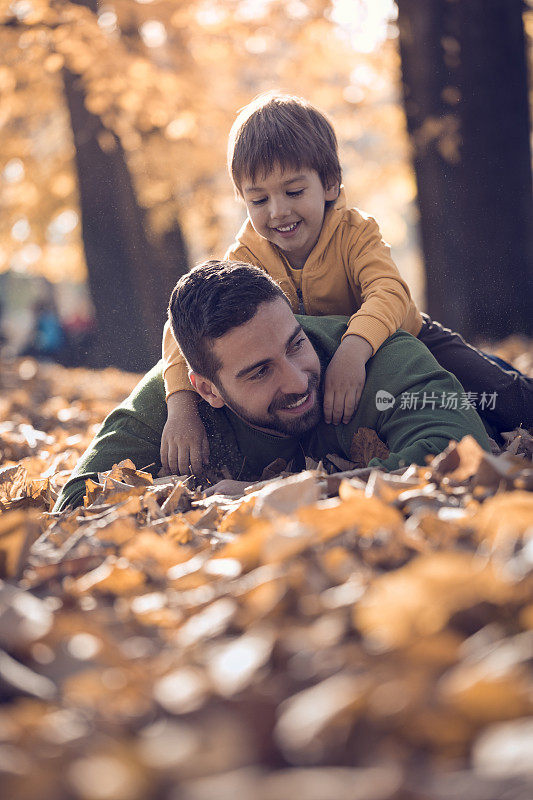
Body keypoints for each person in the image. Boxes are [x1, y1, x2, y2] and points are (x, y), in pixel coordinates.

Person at [160, 92, 533, 477]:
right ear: (242, 199)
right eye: (259, 200)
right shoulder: (246, 255)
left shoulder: (355, 233)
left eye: (293, 192)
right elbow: (183, 328)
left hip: (400, 337)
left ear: (331, 184)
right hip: (320, 365)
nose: (278, 211)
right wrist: (181, 406)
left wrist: (353, 350)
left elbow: (388, 291)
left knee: (497, 392)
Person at [54, 261, 490, 512]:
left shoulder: (381, 359)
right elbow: (76, 502)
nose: (298, 380)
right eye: (260, 371)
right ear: (208, 390)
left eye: (295, 344)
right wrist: (182, 498)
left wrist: (268, 495)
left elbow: (463, 451)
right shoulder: (177, 408)